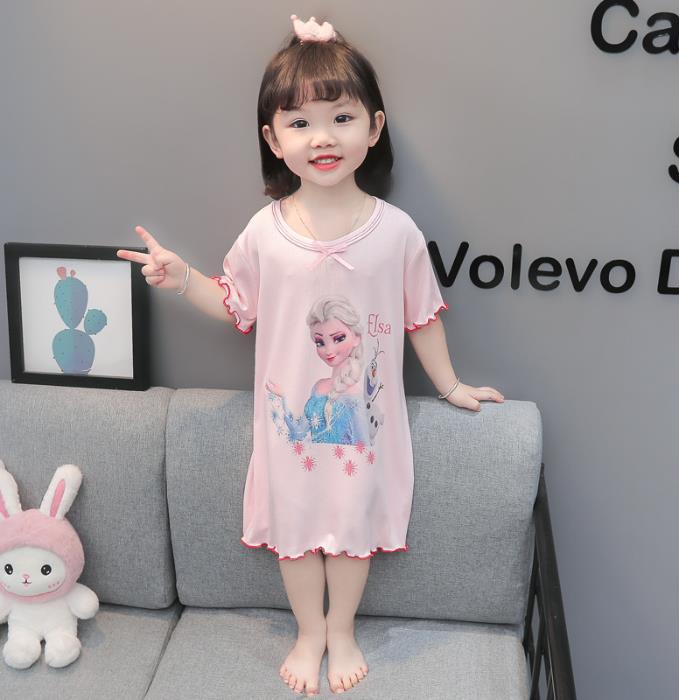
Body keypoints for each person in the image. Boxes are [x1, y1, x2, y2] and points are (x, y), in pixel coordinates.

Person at [117, 12, 505, 697]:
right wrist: (182, 279)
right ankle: (309, 632)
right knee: (295, 532)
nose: (322, 138)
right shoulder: (265, 232)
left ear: (374, 128)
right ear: (273, 139)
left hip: (364, 430)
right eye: (299, 123)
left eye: (341, 118)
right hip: (290, 430)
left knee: (353, 531)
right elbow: (236, 304)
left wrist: (451, 387)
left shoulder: (397, 233)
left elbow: (421, 317)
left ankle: (342, 629)